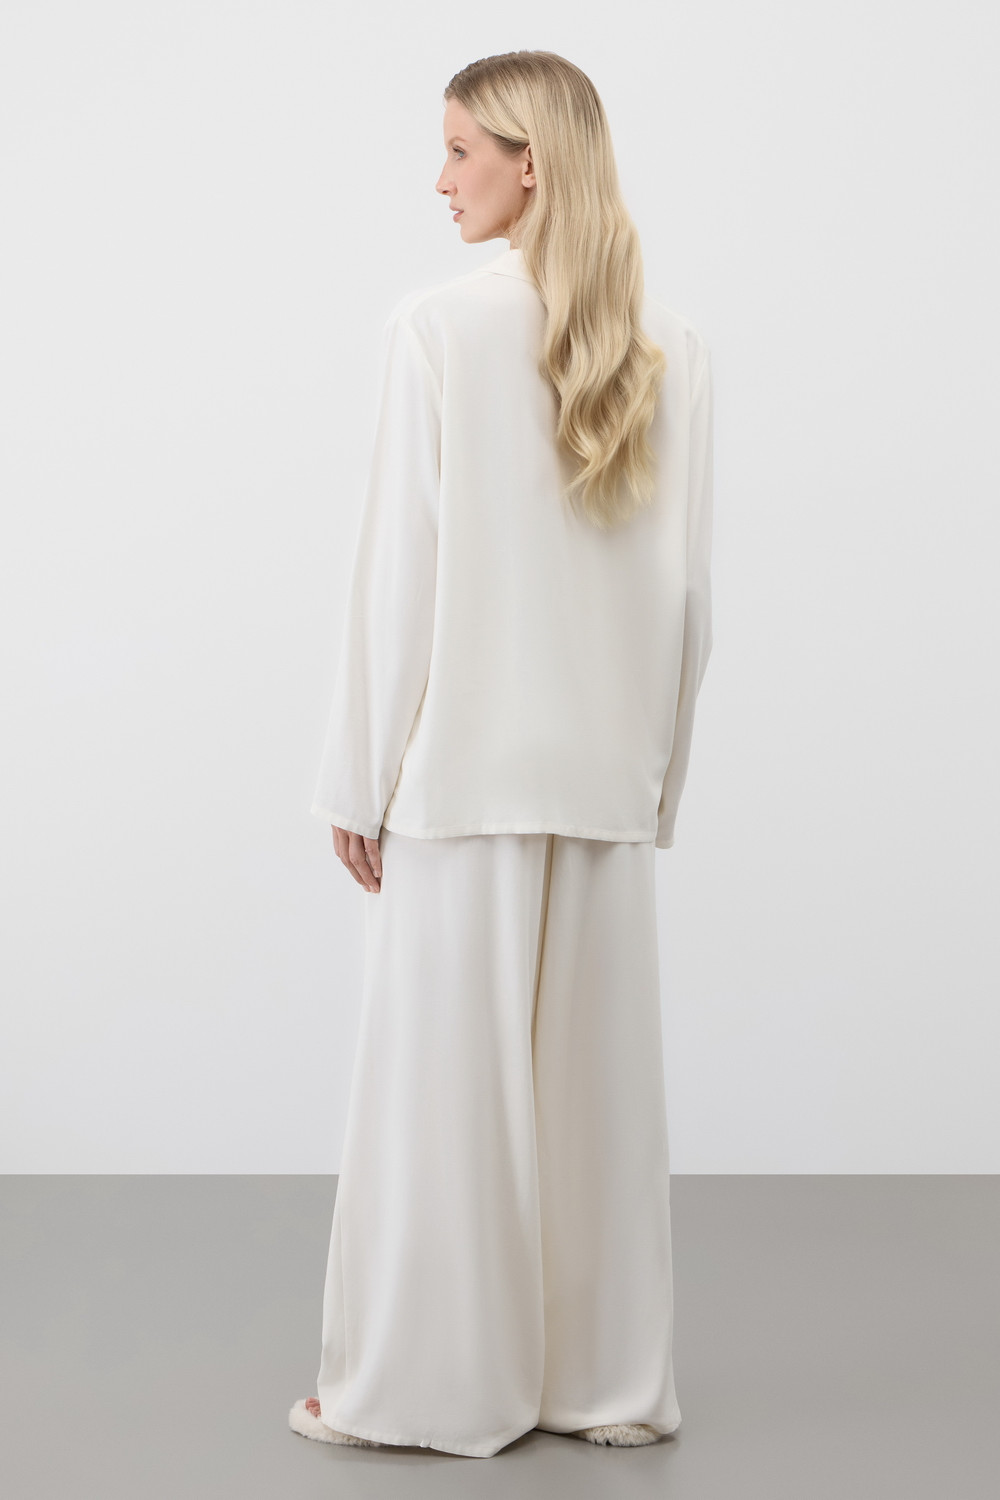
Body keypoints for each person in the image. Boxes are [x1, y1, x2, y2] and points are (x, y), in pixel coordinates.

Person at [289, 49, 714, 1459]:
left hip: (463, 775)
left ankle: (431, 1390)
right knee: (596, 1112)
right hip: (602, 779)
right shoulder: (674, 349)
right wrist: (655, 785)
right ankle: (605, 1386)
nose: (442, 178)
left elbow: (396, 581)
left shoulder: (436, 332)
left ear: (528, 163)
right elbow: (689, 599)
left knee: (445, 1108)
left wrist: (357, 777)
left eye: (461, 149)